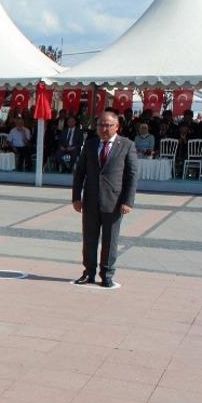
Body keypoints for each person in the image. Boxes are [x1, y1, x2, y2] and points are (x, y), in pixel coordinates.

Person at [72, 110, 138, 289]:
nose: (103, 128)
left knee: (110, 240)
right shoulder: (91, 144)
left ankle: (107, 274)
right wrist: (76, 197)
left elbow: (132, 175)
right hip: (91, 200)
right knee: (89, 239)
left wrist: (128, 201)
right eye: (100, 124)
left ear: (117, 126)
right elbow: (80, 172)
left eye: (108, 125)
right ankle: (89, 272)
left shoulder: (126, 145)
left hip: (114, 201)